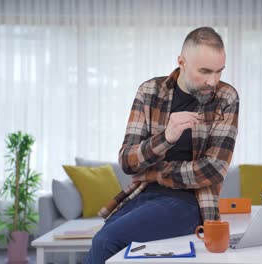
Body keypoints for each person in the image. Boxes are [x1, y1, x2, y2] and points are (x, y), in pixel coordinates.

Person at [83, 26, 239, 263]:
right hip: (142, 194)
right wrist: (166, 138)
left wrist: (155, 171)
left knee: (106, 241)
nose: (213, 81)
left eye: (219, 71)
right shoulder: (150, 92)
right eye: (205, 71)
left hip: (190, 200)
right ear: (182, 62)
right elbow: (127, 161)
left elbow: (213, 170)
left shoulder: (226, 97)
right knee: (102, 242)